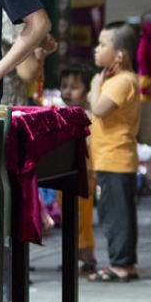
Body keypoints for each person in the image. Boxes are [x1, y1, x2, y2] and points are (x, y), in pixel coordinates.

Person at [87, 22, 143, 283]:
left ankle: (120, 265)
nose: (96, 50)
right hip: (113, 158)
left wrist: (95, 85)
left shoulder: (121, 81)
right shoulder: (120, 80)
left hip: (115, 158)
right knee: (118, 212)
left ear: (119, 55)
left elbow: (98, 109)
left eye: (102, 45)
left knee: (115, 215)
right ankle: (126, 263)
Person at [59, 62, 98, 274]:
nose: (67, 91)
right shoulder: (59, 113)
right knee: (68, 216)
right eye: (64, 85)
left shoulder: (89, 116)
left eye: (74, 87)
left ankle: (87, 256)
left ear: (87, 92)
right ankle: (73, 255)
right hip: (64, 173)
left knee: (83, 216)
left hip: (84, 173)